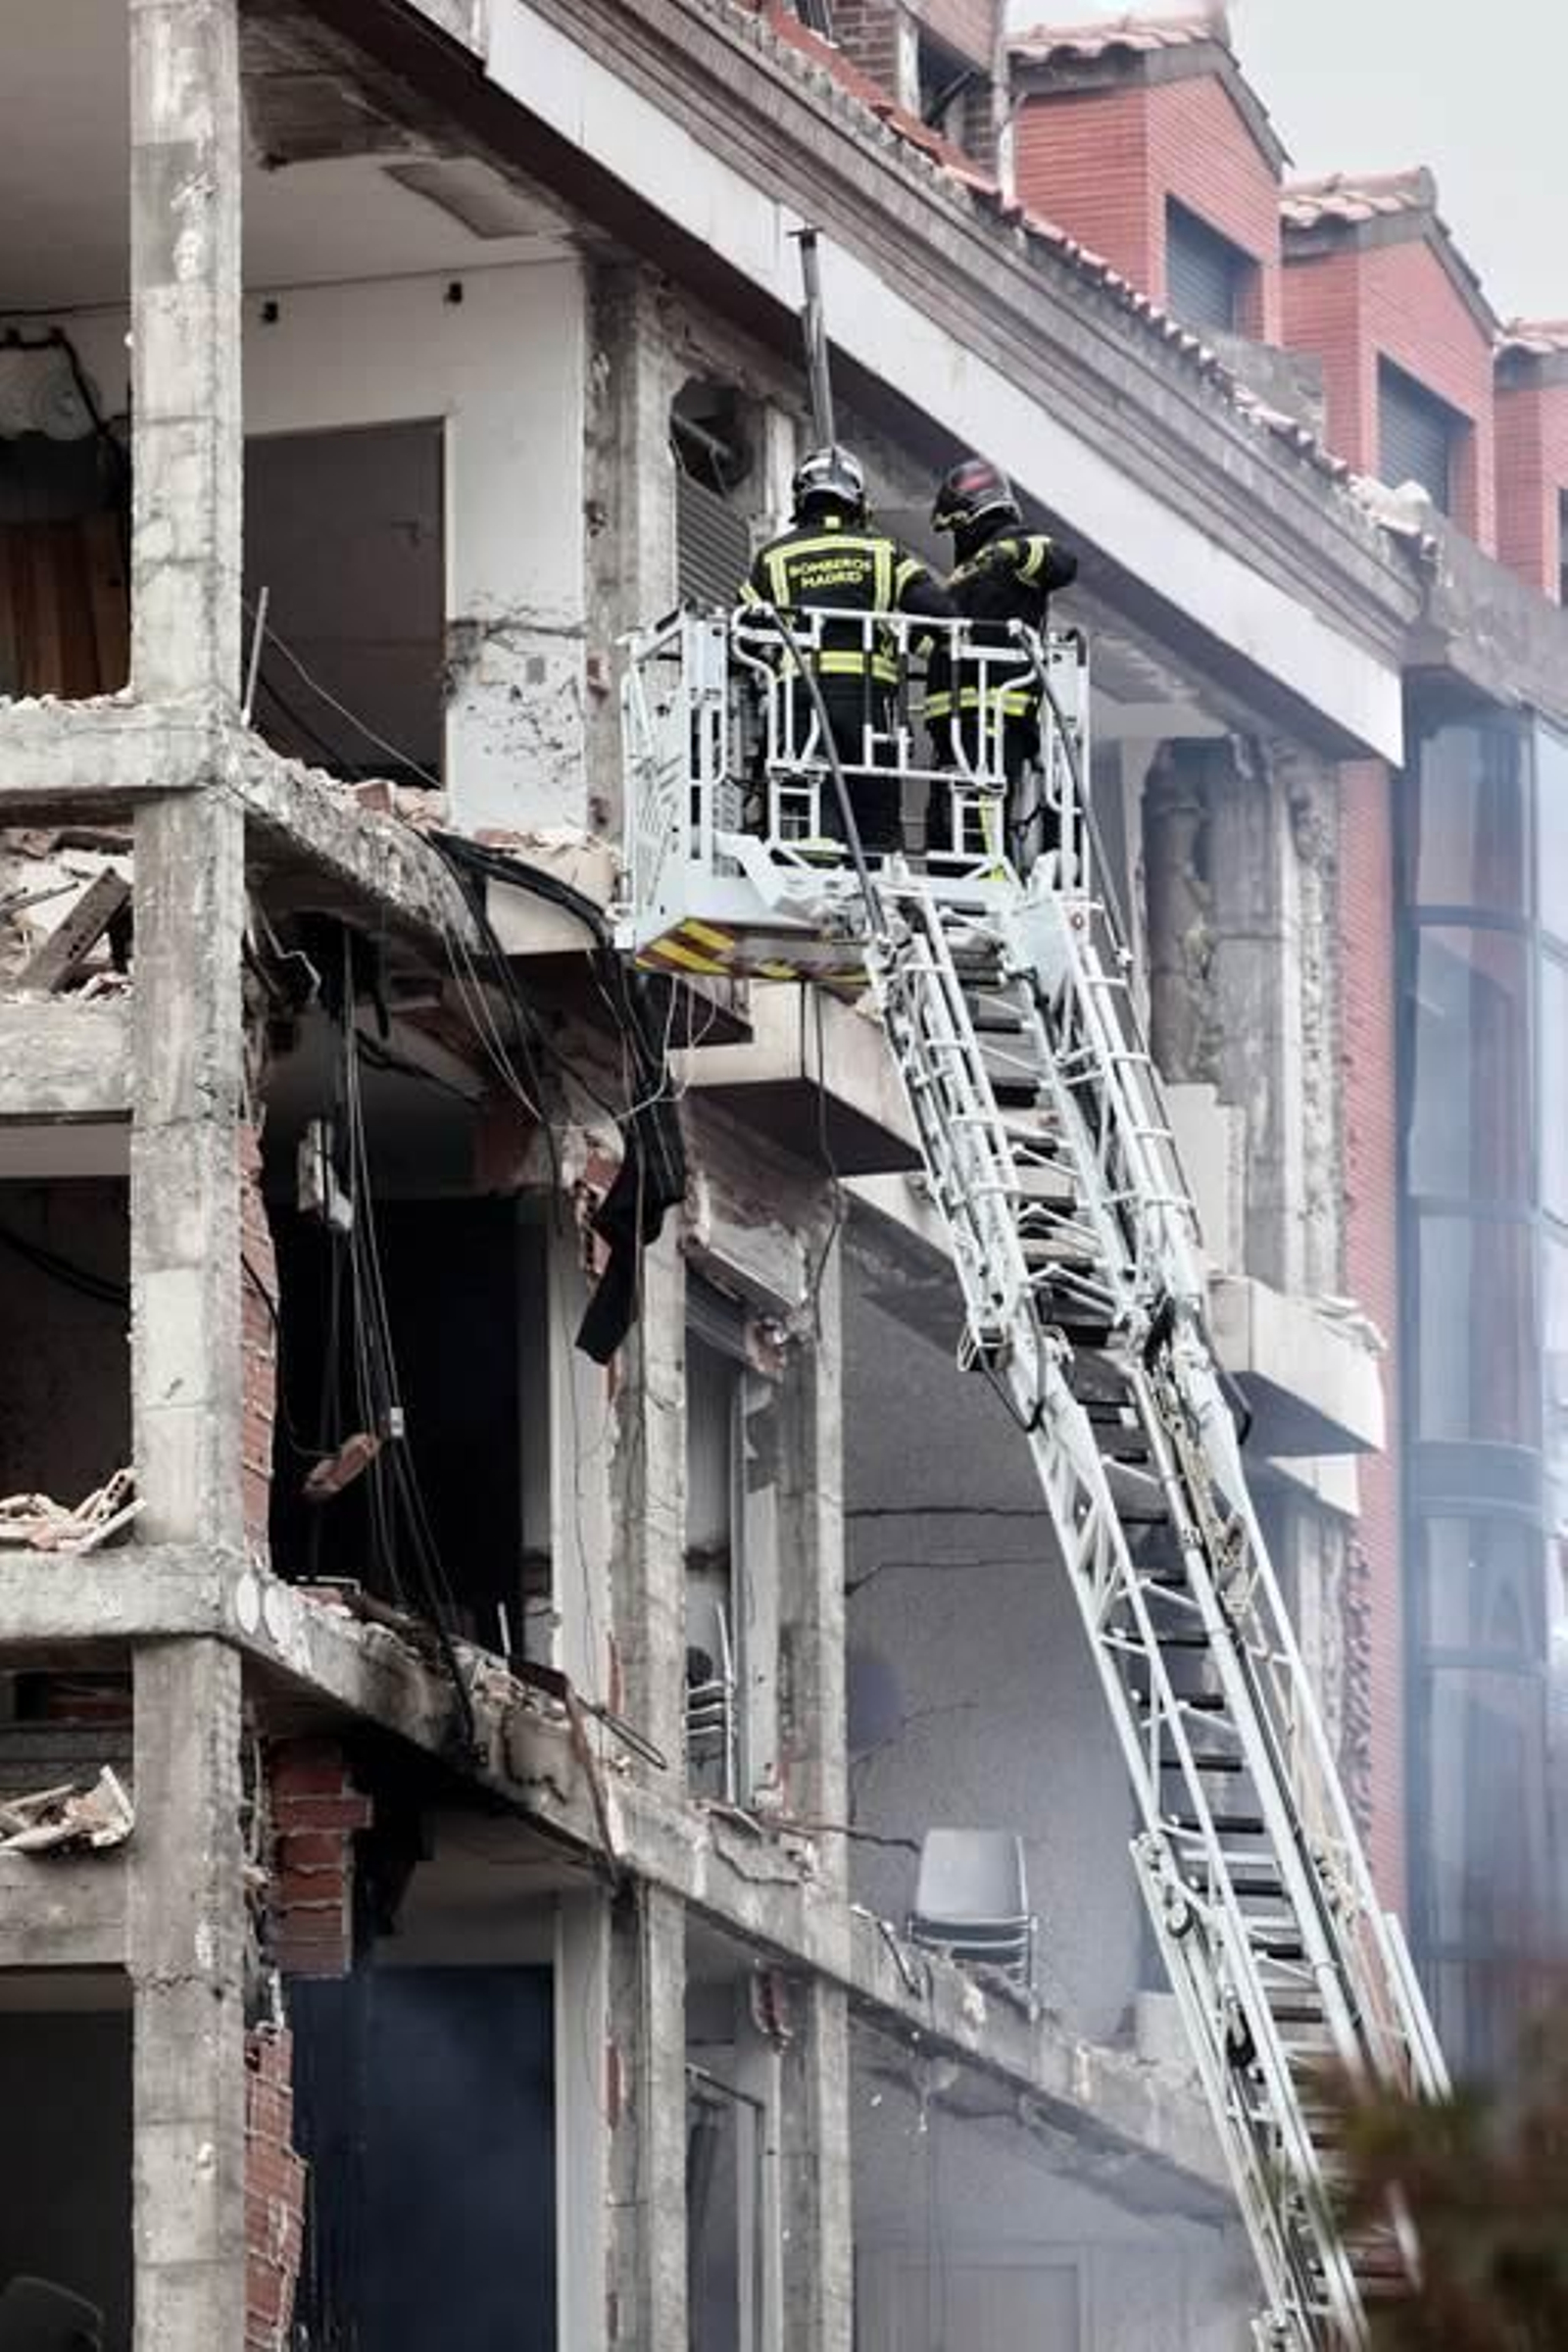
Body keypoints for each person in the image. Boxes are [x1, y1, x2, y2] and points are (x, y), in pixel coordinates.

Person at [739, 444, 953, 855]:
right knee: (873, 815)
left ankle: (815, 857)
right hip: (869, 707)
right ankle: (876, 878)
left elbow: (744, 632)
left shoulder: (774, 557)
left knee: (810, 802)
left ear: (803, 496)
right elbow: (939, 612)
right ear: (856, 499)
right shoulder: (882, 552)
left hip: (800, 704)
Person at [926, 455, 1078, 868]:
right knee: (947, 834)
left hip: (992, 717)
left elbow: (1062, 561)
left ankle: (985, 887)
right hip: (957, 722)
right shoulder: (961, 577)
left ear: (970, 517)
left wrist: (1013, 551)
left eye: (956, 527)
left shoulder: (1013, 543)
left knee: (977, 830)